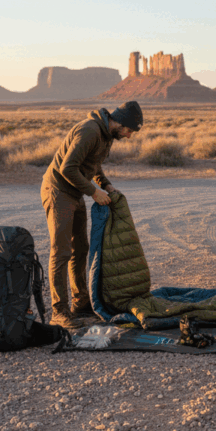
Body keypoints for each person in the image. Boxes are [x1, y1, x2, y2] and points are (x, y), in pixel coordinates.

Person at [41, 101, 143, 329]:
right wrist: (94, 192)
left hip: (75, 192)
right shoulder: (90, 130)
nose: (128, 136)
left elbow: (93, 165)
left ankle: (81, 304)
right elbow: (67, 168)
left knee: (81, 249)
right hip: (58, 190)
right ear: (121, 122)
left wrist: (106, 186)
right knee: (61, 251)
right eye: (129, 130)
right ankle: (59, 312)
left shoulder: (106, 135)